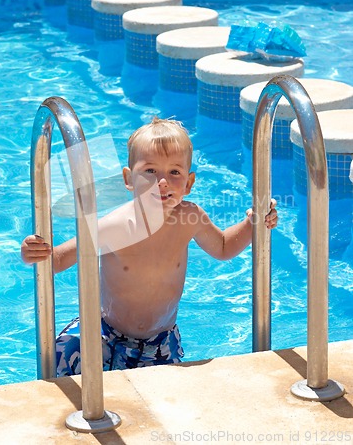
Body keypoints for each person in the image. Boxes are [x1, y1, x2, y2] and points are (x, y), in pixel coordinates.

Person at [21, 117, 278, 375]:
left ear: (188, 184)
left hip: (160, 342)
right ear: (128, 179)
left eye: (174, 172)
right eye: (150, 171)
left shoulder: (190, 218)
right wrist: (34, 252)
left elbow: (223, 247)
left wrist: (253, 223)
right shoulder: (116, 225)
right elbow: (57, 261)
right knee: (61, 376)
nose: (162, 182)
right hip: (106, 337)